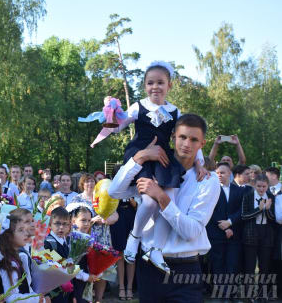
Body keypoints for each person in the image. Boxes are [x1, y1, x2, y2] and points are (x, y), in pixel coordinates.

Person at [104, 62, 207, 272]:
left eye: (160, 82)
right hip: (141, 154)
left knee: (167, 201)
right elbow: (116, 129)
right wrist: (110, 112)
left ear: (169, 85)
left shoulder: (175, 111)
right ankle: (134, 237)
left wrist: (200, 164)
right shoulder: (137, 106)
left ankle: (156, 248)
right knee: (150, 204)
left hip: (162, 159)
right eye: (150, 83)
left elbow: (189, 137)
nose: (155, 87)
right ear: (144, 86)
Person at [109, 114, 220, 303]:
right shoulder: (153, 168)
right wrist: (140, 157)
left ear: (202, 143)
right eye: (182, 137)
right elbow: (115, 191)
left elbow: (191, 232)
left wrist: (161, 196)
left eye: (194, 139)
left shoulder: (208, 180)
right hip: (149, 270)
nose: (187, 144)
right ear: (173, 137)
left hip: (186, 271)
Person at [70, 173, 118, 303]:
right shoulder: (76, 199)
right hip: (83, 239)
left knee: (102, 270)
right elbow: (72, 218)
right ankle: (86, 298)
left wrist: (103, 219)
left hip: (102, 237)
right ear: (82, 184)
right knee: (85, 268)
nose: (90, 184)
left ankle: (99, 299)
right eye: (87, 182)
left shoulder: (102, 197)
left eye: (92, 181)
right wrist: (89, 220)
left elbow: (115, 216)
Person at [0, 208, 51, 303]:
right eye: (20, 230)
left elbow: (25, 287)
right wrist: (39, 300)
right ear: (8, 236)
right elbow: (10, 298)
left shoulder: (17, 257)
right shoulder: (8, 262)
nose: (26, 233)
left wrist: (37, 296)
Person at [206, 163, 244, 295]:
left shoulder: (239, 190)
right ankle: (222, 294)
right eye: (217, 173)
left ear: (229, 174)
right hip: (216, 234)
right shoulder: (211, 190)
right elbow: (209, 211)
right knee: (218, 264)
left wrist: (230, 222)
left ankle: (232, 293)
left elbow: (242, 210)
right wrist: (224, 227)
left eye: (222, 172)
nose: (219, 175)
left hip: (234, 234)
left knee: (233, 264)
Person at [241, 174, 275, 299]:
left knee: (264, 266)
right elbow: (244, 216)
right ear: (254, 185)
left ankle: (262, 294)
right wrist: (259, 209)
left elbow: (273, 219)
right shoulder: (248, 196)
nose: (261, 189)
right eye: (259, 186)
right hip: (251, 233)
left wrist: (267, 210)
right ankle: (248, 295)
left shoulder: (271, 196)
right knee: (249, 267)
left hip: (266, 234)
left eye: (264, 186)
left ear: (267, 186)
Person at [109, 164, 137, 301]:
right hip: (118, 218)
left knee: (131, 253)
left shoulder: (134, 185)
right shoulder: (112, 187)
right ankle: (121, 287)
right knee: (120, 252)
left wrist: (132, 201)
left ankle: (130, 287)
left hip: (132, 217)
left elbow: (141, 206)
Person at [67, 205, 99, 303]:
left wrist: (96, 271)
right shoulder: (71, 239)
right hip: (74, 280)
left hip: (85, 279)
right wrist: (85, 276)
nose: (86, 224)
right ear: (73, 221)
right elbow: (70, 265)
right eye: (83, 220)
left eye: (89, 221)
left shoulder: (89, 238)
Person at [44, 207, 72, 303]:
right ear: (50, 225)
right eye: (57, 223)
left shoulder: (67, 242)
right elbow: (45, 269)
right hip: (53, 291)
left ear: (69, 226)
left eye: (65, 224)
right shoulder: (48, 243)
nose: (61, 227)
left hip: (65, 289)